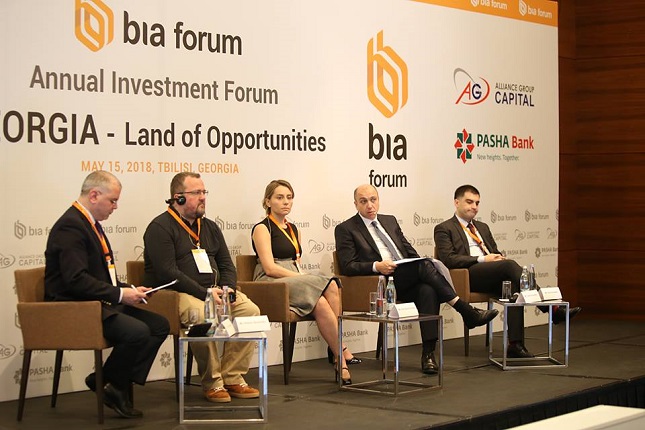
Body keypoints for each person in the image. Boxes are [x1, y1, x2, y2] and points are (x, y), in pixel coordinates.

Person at [334, 184, 498, 374]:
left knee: (428, 289)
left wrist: (419, 262)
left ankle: (428, 354)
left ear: (378, 200)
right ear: (355, 204)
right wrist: (377, 266)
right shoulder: (346, 228)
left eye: (373, 200)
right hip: (379, 282)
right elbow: (348, 265)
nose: (370, 205)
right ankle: (464, 310)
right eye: (363, 201)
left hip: (404, 276)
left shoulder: (389, 221)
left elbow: (408, 250)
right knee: (424, 267)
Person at [44, 171, 170, 419]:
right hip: (73, 307)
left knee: (159, 325)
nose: (115, 207)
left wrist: (130, 289)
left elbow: (101, 276)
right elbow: (75, 280)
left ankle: (110, 382)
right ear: (94, 195)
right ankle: (112, 385)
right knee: (137, 332)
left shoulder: (90, 225)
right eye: (112, 200)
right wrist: (120, 295)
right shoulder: (71, 226)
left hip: (94, 302)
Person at [143, 172, 260, 404]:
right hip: (176, 294)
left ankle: (232, 376)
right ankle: (213, 382)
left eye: (204, 192)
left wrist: (228, 289)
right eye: (196, 193)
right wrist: (205, 293)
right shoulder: (160, 227)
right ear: (178, 197)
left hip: (215, 292)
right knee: (202, 316)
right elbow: (168, 272)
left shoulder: (210, 227)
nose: (203, 197)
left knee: (250, 311)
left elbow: (226, 264)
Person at [433, 184, 582, 358]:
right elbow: (448, 259)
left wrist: (497, 258)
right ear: (456, 202)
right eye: (469, 202)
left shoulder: (483, 227)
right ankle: (552, 308)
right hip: (467, 275)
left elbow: (494, 251)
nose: (474, 207)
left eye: (477, 203)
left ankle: (515, 345)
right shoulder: (444, 228)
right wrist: (483, 259)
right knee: (509, 266)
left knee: (513, 288)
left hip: (490, 273)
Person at [251, 179, 359, 386]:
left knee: (328, 290)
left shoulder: (294, 229)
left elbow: (297, 263)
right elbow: (270, 268)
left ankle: (337, 354)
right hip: (271, 281)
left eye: (289, 197)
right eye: (279, 197)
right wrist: (303, 279)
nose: (286, 202)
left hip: (294, 276)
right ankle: (341, 350)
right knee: (325, 292)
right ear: (268, 201)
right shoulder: (262, 228)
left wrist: (303, 277)